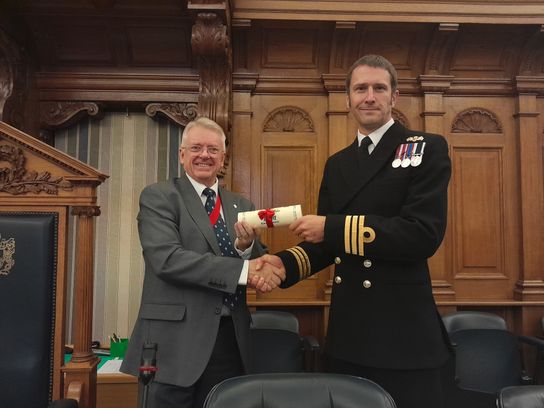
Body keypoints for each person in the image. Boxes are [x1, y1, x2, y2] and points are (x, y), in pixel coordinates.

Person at [257, 54, 454, 408]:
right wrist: (284, 264)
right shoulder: (338, 164)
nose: (369, 96)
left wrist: (332, 226)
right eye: (360, 88)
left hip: (404, 334)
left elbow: (422, 234)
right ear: (347, 99)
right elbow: (326, 245)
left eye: (379, 88)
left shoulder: (425, 148)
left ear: (394, 97)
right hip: (350, 333)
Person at [121, 116, 284, 408]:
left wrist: (246, 248)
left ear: (223, 158)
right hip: (174, 341)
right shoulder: (160, 197)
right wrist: (245, 269)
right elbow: (167, 259)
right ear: (182, 155)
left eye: (212, 149)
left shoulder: (241, 205)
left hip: (229, 340)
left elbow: (258, 264)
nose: (204, 155)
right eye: (196, 148)